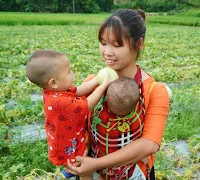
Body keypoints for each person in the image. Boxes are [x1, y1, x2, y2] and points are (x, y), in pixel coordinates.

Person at [65, 9, 170, 180]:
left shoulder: (154, 90)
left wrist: (97, 164)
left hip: (133, 173)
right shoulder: (92, 83)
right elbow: (76, 123)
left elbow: (149, 144)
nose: (107, 52)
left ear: (140, 44)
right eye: (103, 43)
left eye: (116, 45)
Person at [25, 50, 112, 180]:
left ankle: (71, 171)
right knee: (83, 169)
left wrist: (96, 81)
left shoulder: (56, 91)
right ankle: (76, 172)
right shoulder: (59, 102)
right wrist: (104, 85)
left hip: (69, 137)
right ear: (53, 82)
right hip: (70, 147)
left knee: (80, 165)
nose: (72, 73)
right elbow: (88, 104)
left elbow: (79, 91)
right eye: (68, 72)